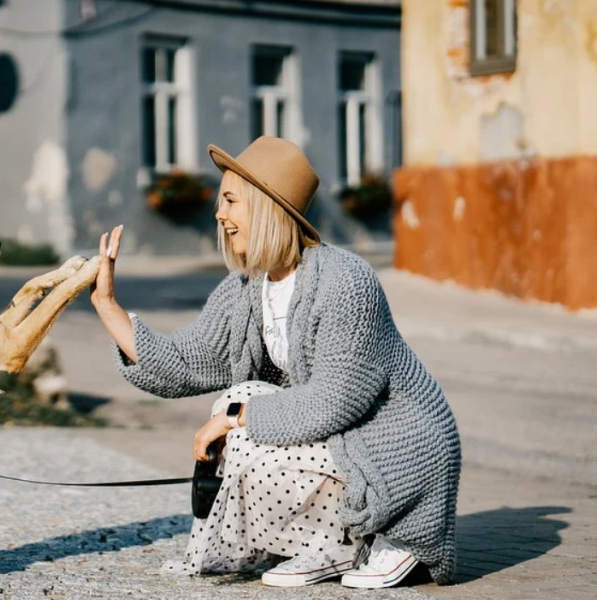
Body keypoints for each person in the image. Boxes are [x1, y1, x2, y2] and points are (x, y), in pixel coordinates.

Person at [89, 137, 460, 589]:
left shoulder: (346, 282)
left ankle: (377, 537)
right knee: (238, 398)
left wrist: (234, 420)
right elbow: (187, 362)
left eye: (230, 201)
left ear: (266, 206)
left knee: (241, 413)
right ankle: (322, 544)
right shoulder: (248, 287)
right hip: (342, 439)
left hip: (396, 447)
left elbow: (335, 401)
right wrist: (108, 306)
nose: (219, 214)